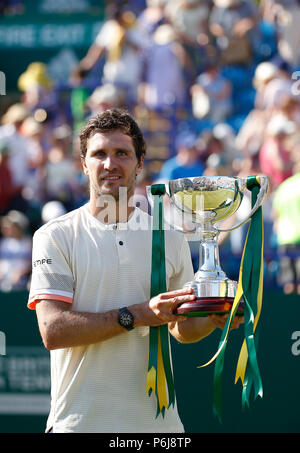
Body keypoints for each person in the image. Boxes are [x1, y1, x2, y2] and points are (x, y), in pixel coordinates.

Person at [28, 108, 241, 433]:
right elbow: (53, 331)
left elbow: (180, 329)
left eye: (122, 154)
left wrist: (213, 318)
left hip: (160, 430)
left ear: (140, 163)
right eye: (99, 154)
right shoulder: (54, 236)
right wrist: (139, 314)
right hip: (78, 426)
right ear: (84, 164)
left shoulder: (169, 237)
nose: (110, 164)